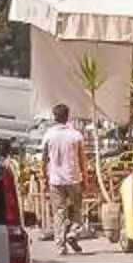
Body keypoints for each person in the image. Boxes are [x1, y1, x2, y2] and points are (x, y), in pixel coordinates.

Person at [40, 101, 85, 254]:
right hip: (73, 178)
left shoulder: (48, 135)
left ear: (54, 117)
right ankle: (73, 232)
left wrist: (43, 177)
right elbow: (81, 159)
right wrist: (85, 176)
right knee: (77, 209)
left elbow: (44, 159)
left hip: (55, 180)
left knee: (59, 212)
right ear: (67, 116)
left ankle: (60, 245)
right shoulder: (76, 135)